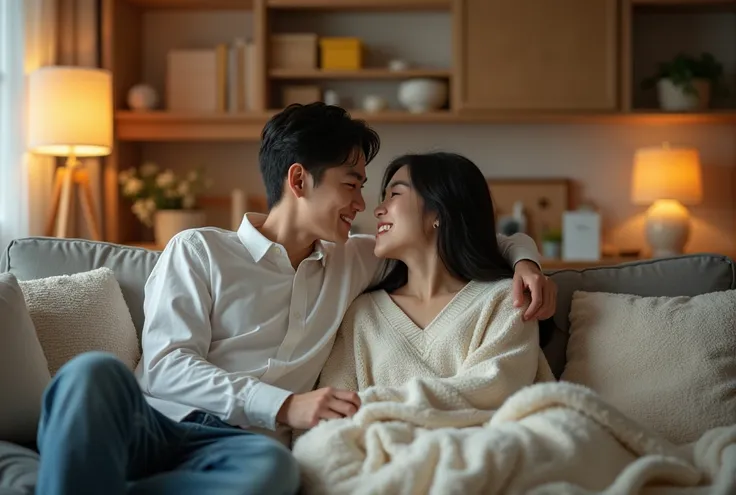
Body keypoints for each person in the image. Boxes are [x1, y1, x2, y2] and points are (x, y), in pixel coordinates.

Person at [34, 103, 557, 495]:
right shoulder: (199, 250)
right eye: (352, 185)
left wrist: (526, 260)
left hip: (236, 450)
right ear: (299, 179)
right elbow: (168, 365)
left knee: (274, 473)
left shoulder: (355, 260)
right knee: (90, 374)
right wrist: (284, 404)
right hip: (154, 423)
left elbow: (453, 238)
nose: (361, 204)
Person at [315, 151, 555, 406]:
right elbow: (330, 411)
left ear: (439, 210)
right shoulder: (362, 314)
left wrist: (375, 406)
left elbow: (495, 390)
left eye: (394, 194)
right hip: (378, 443)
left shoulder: (506, 300)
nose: (377, 210)